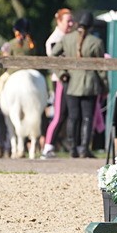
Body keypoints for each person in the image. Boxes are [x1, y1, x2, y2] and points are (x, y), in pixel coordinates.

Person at [50, 10, 107, 158]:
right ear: (91, 26)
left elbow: (52, 57)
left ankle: (72, 148)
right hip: (90, 84)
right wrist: (105, 86)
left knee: (73, 117)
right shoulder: (96, 42)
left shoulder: (67, 39)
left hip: (71, 83)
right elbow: (101, 69)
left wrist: (62, 73)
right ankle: (84, 148)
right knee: (88, 117)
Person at [41, 8, 74, 158]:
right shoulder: (55, 39)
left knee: (66, 114)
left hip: (70, 79)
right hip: (60, 79)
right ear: (59, 21)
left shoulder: (67, 36)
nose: (71, 24)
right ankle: (48, 145)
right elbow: (57, 61)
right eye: (68, 21)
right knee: (59, 114)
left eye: (72, 21)